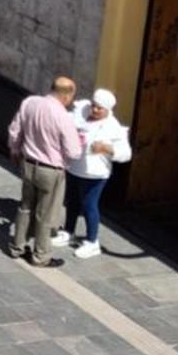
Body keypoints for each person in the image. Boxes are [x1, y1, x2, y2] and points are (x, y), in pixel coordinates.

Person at [7, 74, 77, 265]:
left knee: (25, 206)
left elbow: (15, 131)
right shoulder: (63, 116)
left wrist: (14, 150)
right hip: (51, 169)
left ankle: (17, 246)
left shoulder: (30, 103)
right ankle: (41, 256)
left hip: (28, 163)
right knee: (46, 213)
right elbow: (74, 150)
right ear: (66, 96)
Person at [57, 88, 131, 259]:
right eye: (94, 106)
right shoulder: (82, 112)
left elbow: (126, 154)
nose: (95, 110)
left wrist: (106, 148)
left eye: (100, 108)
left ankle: (92, 241)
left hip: (95, 173)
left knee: (89, 204)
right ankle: (69, 231)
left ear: (108, 110)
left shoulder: (114, 127)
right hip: (75, 166)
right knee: (72, 201)